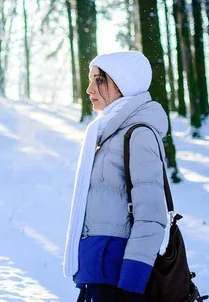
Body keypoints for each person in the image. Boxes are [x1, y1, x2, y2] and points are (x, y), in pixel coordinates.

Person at [63, 51, 169, 302]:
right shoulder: (108, 134)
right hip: (98, 269)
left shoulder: (138, 134)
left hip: (119, 275)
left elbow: (151, 215)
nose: (89, 89)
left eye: (97, 79)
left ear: (122, 84)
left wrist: (131, 282)